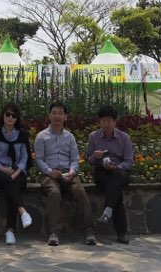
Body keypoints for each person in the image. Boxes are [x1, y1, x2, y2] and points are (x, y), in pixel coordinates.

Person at [34, 101, 96, 246]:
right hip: (49, 174)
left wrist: (72, 172)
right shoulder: (41, 136)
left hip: (68, 173)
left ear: (65, 117)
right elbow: (39, 159)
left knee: (80, 191)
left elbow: (75, 159)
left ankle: (89, 231)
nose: (57, 116)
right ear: (49, 115)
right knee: (54, 193)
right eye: (54, 113)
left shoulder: (70, 137)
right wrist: (50, 171)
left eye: (60, 113)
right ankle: (54, 233)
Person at [86, 105, 132, 244]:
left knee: (116, 177)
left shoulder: (124, 138)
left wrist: (116, 167)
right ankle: (121, 231)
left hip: (120, 172)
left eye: (109, 120)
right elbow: (89, 160)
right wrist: (95, 157)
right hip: (102, 172)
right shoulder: (94, 137)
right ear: (100, 121)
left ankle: (108, 211)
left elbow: (128, 161)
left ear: (115, 121)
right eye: (103, 120)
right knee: (116, 191)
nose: (106, 123)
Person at [0, 103, 33, 245]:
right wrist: (4, 170)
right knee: (9, 183)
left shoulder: (22, 136)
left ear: (17, 118)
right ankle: (22, 212)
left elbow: (25, 158)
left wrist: (17, 171)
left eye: (14, 115)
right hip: (0, 171)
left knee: (12, 188)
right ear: (3, 116)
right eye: (7, 114)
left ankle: (10, 231)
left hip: (18, 171)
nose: (10, 118)